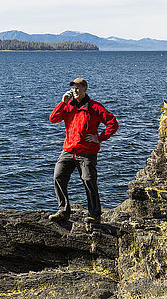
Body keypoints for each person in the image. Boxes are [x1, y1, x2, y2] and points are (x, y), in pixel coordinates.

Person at [48, 78, 119, 224]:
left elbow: (113, 123)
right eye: (73, 88)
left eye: (77, 88)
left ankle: (94, 214)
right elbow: (53, 119)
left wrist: (99, 138)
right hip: (68, 150)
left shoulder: (95, 107)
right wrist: (62, 102)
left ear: (85, 88)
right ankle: (63, 211)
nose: (74, 91)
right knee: (58, 177)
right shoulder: (67, 106)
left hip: (87, 152)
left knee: (88, 180)